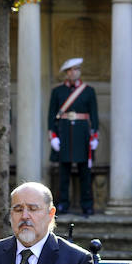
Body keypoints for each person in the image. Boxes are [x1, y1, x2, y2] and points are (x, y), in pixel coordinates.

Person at [47, 57, 99, 216]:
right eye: (70, 70)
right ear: (66, 73)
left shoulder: (89, 91)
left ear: (79, 71)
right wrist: (53, 136)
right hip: (64, 135)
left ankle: (87, 205)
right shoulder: (57, 91)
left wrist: (94, 136)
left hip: (82, 136)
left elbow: (94, 116)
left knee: (85, 173)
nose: (73, 73)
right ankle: (63, 204)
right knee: (64, 174)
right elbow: (51, 116)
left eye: (76, 69)